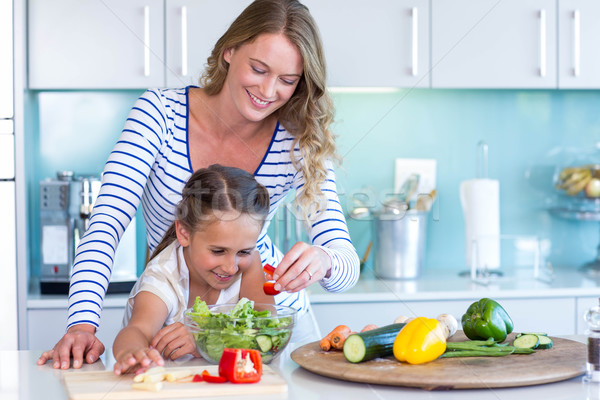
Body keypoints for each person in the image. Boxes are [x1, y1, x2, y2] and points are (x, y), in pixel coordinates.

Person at [38, 0, 359, 370]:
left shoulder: (298, 141)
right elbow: (105, 226)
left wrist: (325, 260)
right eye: (258, 68)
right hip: (177, 320)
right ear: (229, 50)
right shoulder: (159, 115)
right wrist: (82, 324)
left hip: (270, 326)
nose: (269, 91)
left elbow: (344, 263)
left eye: (288, 81)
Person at [112, 164, 273, 375]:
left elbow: (269, 329)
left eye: (243, 252)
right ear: (184, 233)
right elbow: (137, 330)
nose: (231, 267)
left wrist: (206, 339)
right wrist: (132, 354)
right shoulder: (164, 275)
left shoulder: (250, 264)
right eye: (218, 251)